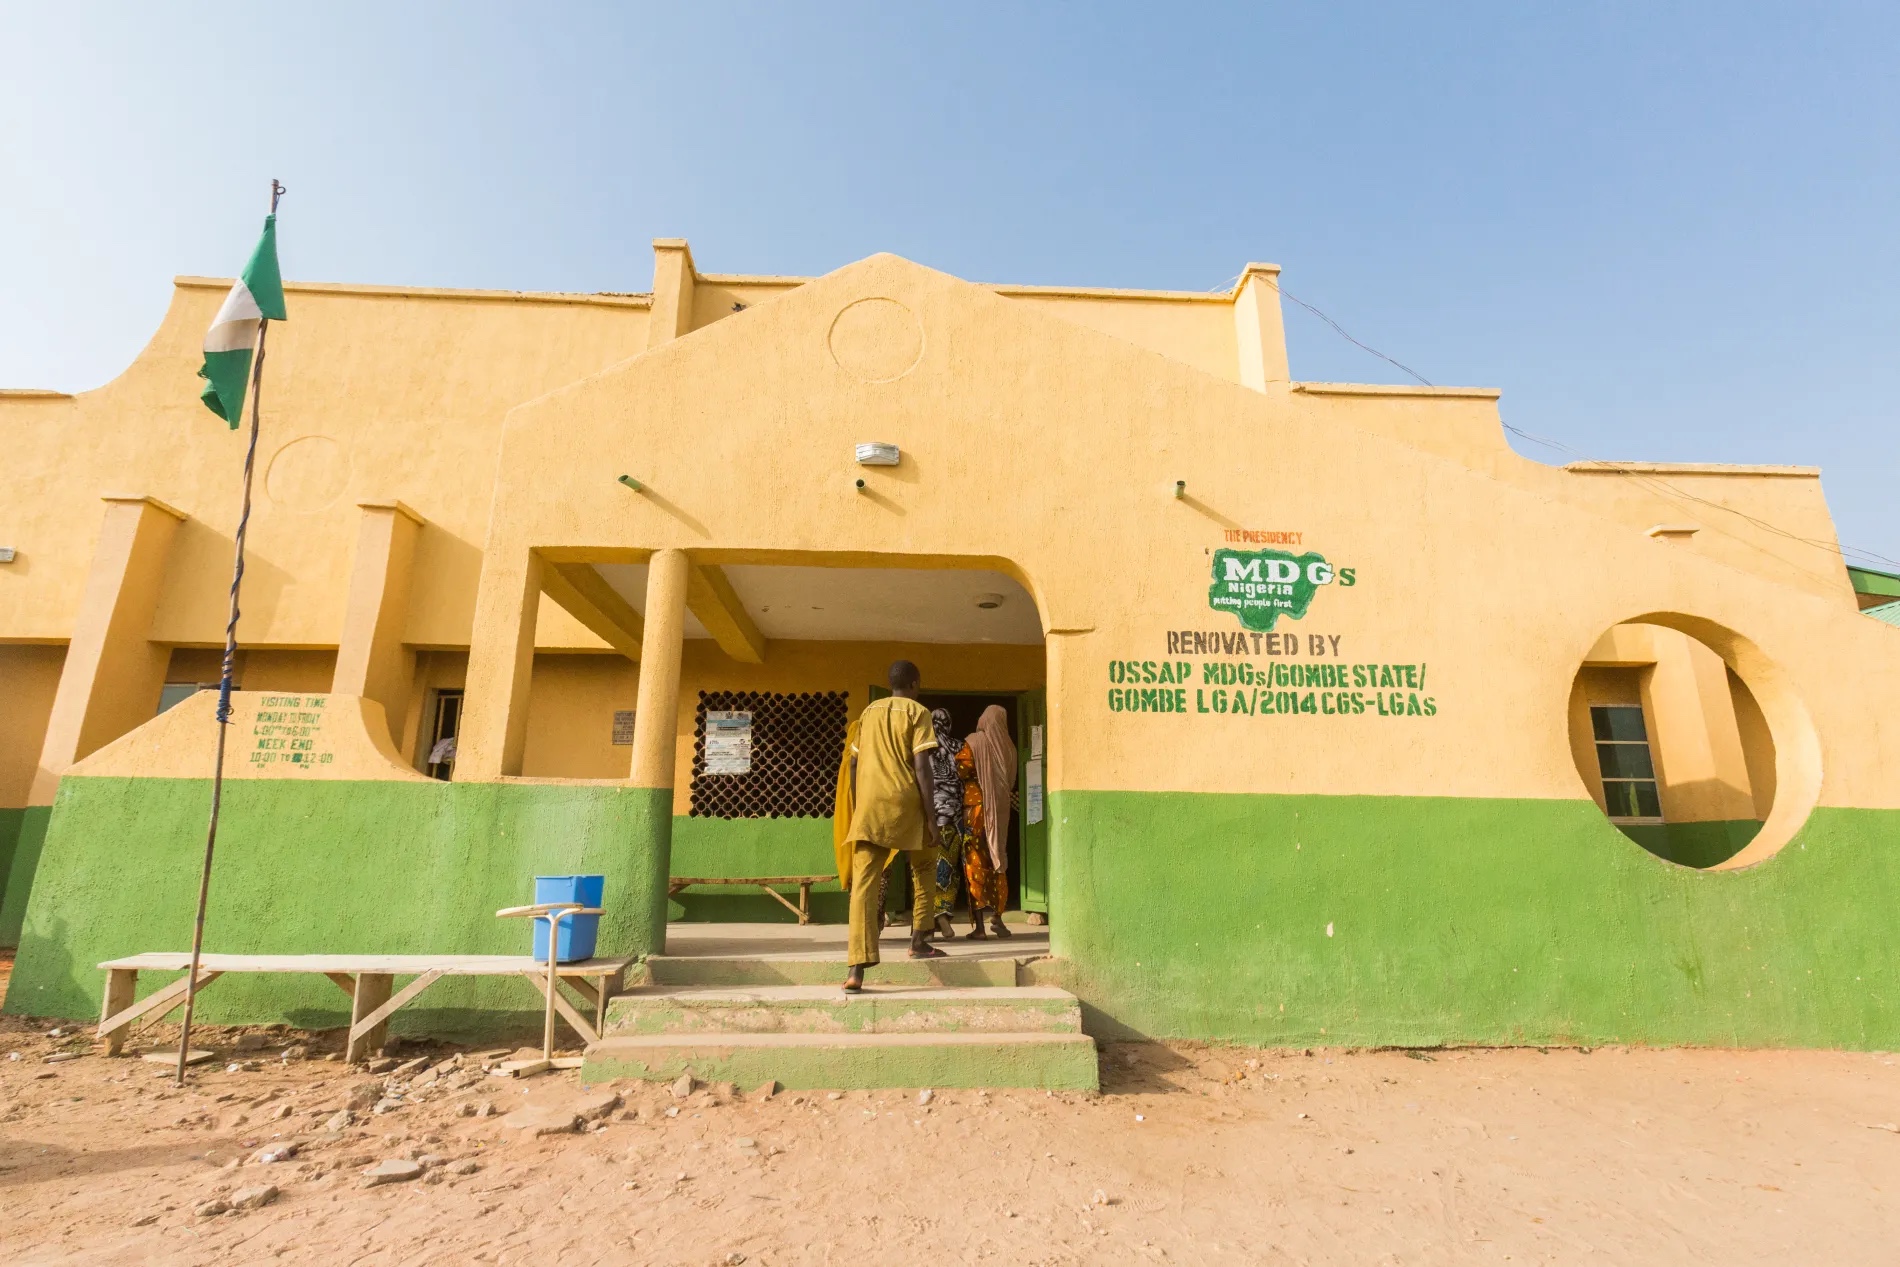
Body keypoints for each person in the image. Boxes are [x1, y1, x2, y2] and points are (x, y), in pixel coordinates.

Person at [841, 660, 945, 991]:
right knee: (925, 868)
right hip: (907, 805)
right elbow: (922, 768)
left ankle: (856, 968)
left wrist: (859, 806)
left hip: (870, 808)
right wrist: (932, 818)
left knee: (864, 887)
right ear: (914, 684)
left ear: (890, 684)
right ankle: (919, 940)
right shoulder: (918, 712)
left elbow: (854, 764)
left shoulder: (869, 713)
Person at [961, 704, 1017, 939]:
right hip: (1001, 811)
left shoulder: (974, 742)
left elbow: (962, 769)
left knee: (975, 862)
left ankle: (980, 928)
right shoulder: (1010, 748)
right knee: (997, 858)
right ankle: (999, 918)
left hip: (976, 812)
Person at [926, 708, 969, 939]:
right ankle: (943, 914)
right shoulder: (958, 747)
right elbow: (967, 779)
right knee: (948, 870)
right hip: (953, 820)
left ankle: (929, 924)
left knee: (924, 870)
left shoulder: (922, 746)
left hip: (929, 820)